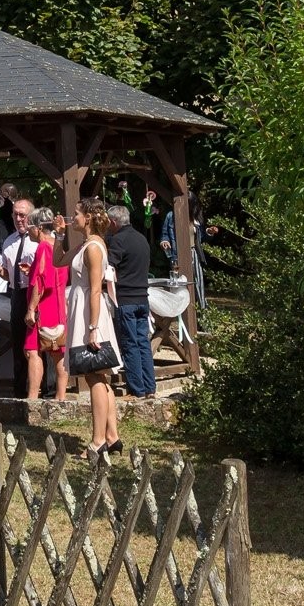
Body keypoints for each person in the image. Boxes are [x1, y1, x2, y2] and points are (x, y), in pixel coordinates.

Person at [69, 199, 122, 457]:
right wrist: (58, 234)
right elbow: (60, 261)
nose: (73, 217)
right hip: (86, 311)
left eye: (76, 213)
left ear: (88, 217)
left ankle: (98, 439)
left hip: (91, 314)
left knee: (94, 376)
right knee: (100, 375)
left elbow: (95, 288)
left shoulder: (93, 248)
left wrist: (92, 327)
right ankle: (112, 436)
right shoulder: (87, 243)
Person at [106, 204, 156, 398]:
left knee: (130, 344)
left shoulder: (119, 240)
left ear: (113, 222)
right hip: (143, 298)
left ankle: (138, 389)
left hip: (126, 298)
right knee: (143, 342)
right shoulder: (141, 238)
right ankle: (150, 387)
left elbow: (109, 267)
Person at [0, 195, 37, 397]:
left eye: (22, 215)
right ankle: (20, 388)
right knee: (19, 340)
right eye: (15, 215)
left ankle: (44, 387)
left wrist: (34, 271)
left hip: (35, 292)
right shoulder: (9, 241)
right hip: (17, 293)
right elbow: (7, 272)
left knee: (40, 341)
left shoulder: (38, 241)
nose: (18, 219)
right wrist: (0, 270)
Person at [24, 207, 67, 401]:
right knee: (58, 351)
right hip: (57, 306)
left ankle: (32, 398)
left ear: (39, 227)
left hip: (43, 307)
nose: (27, 230)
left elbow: (41, 281)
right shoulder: (58, 245)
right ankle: (61, 396)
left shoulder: (42, 247)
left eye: (30, 226)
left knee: (32, 351)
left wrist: (31, 309)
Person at [159, 195, 216, 306]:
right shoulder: (171, 216)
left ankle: (201, 309)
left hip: (194, 253)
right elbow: (165, 234)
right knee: (179, 282)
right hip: (177, 254)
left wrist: (209, 231)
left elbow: (201, 237)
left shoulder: (195, 218)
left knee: (197, 281)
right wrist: (164, 242)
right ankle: (181, 309)